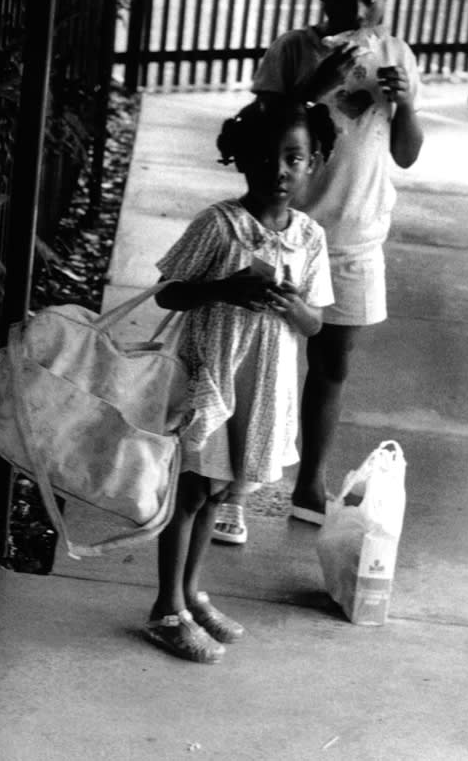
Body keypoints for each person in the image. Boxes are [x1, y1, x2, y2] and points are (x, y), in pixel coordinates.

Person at [209, 0, 420, 546]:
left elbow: (406, 154)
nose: (357, 13)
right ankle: (234, 488)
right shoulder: (293, 50)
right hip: (287, 234)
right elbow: (260, 129)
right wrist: (316, 87)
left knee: (331, 364)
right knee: (258, 362)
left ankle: (309, 486)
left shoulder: (398, 57)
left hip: (356, 238)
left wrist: (403, 105)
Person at [144, 98, 335, 662]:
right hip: (214, 371)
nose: (279, 170)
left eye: (293, 159)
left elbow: (316, 321)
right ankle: (164, 607)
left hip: (264, 377)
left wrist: (293, 305)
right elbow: (169, 291)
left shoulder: (311, 237)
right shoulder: (219, 225)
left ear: (313, 163)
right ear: (241, 160)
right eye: (265, 158)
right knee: (193, 487)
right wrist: (224, 288)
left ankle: (192, 592)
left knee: (222, 488)